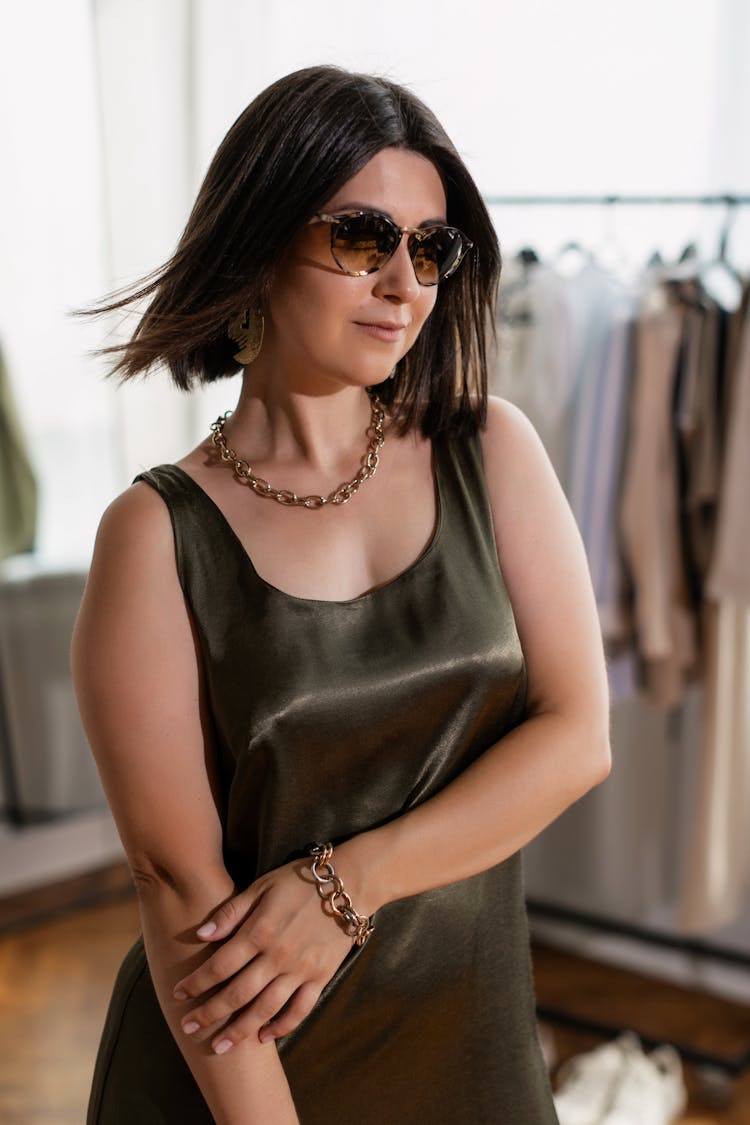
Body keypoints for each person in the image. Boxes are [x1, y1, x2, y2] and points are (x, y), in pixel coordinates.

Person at [72, 64, 611, 1125]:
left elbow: (578, 736)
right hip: (240, 1082)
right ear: (261, 240)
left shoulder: (491, 448)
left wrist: (346, 885)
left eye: (431, 249)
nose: (404, 282)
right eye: (363, 237)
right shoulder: (154, 537)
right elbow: (177, 885)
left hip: (473, 1047)